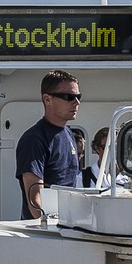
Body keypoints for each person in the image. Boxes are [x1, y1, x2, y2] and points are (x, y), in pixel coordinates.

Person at [15, 70, 82, 219]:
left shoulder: (69, 134)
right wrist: (51, 224)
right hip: (45, 229)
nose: (76, 102)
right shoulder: (34, 139)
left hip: (67, 223)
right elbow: (35, 199)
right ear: (47, 99)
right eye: (69, 97)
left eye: (78, 97)